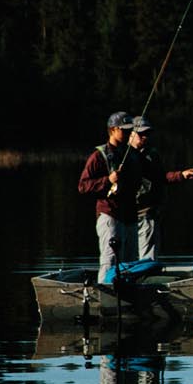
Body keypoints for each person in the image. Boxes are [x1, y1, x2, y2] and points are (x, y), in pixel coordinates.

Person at [124, 115, 193, 260]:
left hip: (147, 213)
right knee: (125, 257)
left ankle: (145, 279)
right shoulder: (121, 155)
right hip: (125, 215)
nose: (145, 137)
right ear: (130, 133)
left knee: (148, 257)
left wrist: (182, 175)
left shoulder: (152, 155)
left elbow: (160, 177)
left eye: (147, 134)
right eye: (141, 134)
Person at [77, 111, 137, 280]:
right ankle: (104, 293)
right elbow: (83, 186)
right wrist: (107, 180)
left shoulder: (131, 154)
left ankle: (128, 300)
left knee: (131, 264)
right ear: (112, 130)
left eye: (129, 130)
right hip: (109, 215)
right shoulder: (98, 156)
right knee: (110, 261)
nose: (127, 133)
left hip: (129, 217)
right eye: (124, 130)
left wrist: (180, 175)